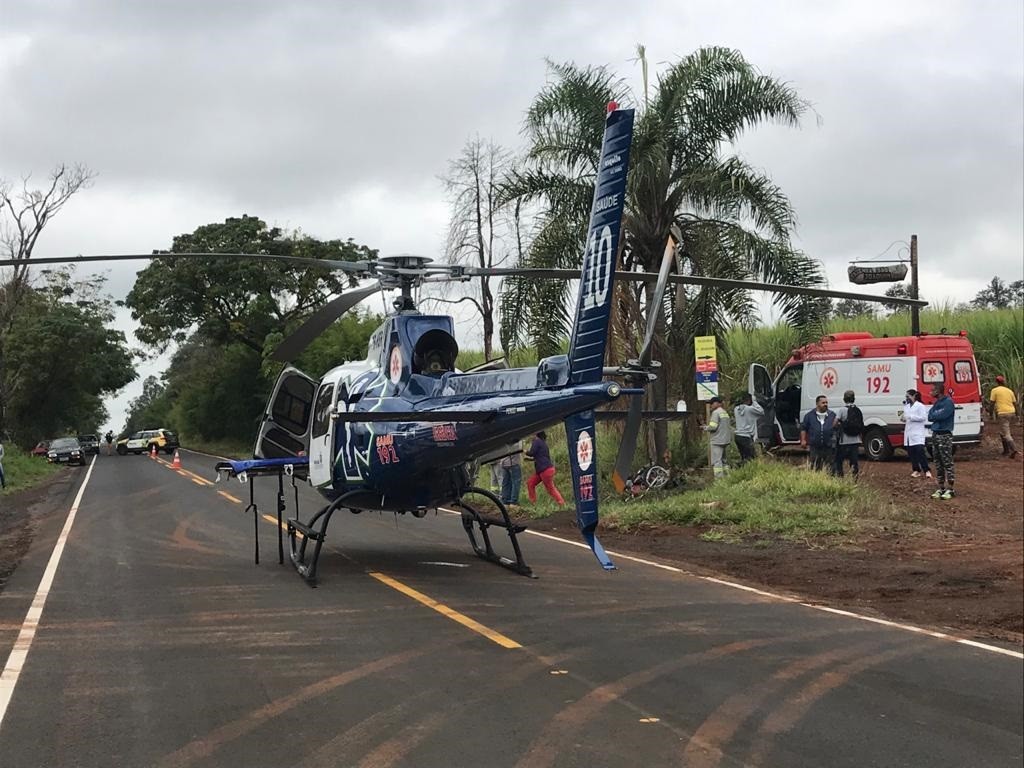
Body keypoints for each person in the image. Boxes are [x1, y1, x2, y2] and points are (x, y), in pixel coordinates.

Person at [927, 383, 956, 499]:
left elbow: (941, 415)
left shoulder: (948, 402)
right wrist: (935, 414)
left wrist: (935, 414)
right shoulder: (937, 403)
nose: (931, 392)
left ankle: (950, 488)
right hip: (935, 434)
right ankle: (941, 487)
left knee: (947, 461)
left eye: (932, 390)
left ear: (938, 391)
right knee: (938, 462)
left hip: (945, 435)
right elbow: (930, 416)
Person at [525, 431, 565, 506]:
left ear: (536, 434)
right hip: (545, 469)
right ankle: (533, 503)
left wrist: (525, 451)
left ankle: (561, 503)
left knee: (550, 489)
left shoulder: (536, 441)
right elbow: (541, 456)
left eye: (533, 434)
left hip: (544, 470)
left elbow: (532, 453)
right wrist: (529, 459)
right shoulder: (543, 443)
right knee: (530, 483)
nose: (531, 436)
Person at [800, 395, 837, 472]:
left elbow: (836, 428)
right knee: (815, 467)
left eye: (826, 402)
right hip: (815, 447)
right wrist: (803, 440)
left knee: (830, 468)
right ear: (817, 404)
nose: (825, 404)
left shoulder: (832, 415)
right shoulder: (809, 415)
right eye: (823, 403)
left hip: (828, 447)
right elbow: (803, 428)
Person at [832, 389, 863, 478]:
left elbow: (834, 424)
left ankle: (840, 477)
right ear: (854, 399)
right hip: (856, 440)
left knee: (839, 460)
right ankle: (854, 479)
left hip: (844, 441)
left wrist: (839, 425)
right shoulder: (858, 410)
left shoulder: (842, 410)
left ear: (844, 399)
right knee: (854, 462)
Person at [987, 375, 1018, 459]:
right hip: (1011, 412)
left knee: (1006, 433)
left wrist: (990, 414)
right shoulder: (1009, 391)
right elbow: (1015, 403)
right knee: (1002, 431)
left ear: (996, 382)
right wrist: (1017, 414)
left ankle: (1013, 449)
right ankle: (1006, 451)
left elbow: (992, 403)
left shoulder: (995, 390)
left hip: (1003, 413)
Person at [902, 389, 931, 478]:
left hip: (917, 432)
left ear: (914, 396)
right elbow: (906, 417)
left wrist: (910, 417)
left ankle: (926, 470)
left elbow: (923, 417)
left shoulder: (920, 406)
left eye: (908, 396)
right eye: (906, 397)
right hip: (909, 433)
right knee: (911, 452)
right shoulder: (906, 406)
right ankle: (916, 470)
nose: (907, 398)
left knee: (920, 451)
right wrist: (904, 418)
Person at [703, 396, 733, 478]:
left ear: (717, 403)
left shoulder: (716, 413)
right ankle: (728, 476)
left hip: (717, 441)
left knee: (717, 461)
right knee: (724, 461)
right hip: (725, 440)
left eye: (712, 403)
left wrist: (705, 427)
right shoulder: (724, 412)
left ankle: (719, 479)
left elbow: (713, 427)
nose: (711, 405)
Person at [733, 393, 763, 465]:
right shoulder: (750, 409)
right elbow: (761, 411)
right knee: (751, 458)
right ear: (750, 400)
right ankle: (742, 468)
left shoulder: (736, 409)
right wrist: (755, 401)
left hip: (738, 436)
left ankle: (740, 468)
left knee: (744, 457)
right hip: (746, 437)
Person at [499, 443, 523, 508]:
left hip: (503, 463)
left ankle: (505, 502)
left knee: (506, 483)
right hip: (513, 463)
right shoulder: (515, 441)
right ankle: (513, 502)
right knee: (515, 483)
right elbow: (520, 448)